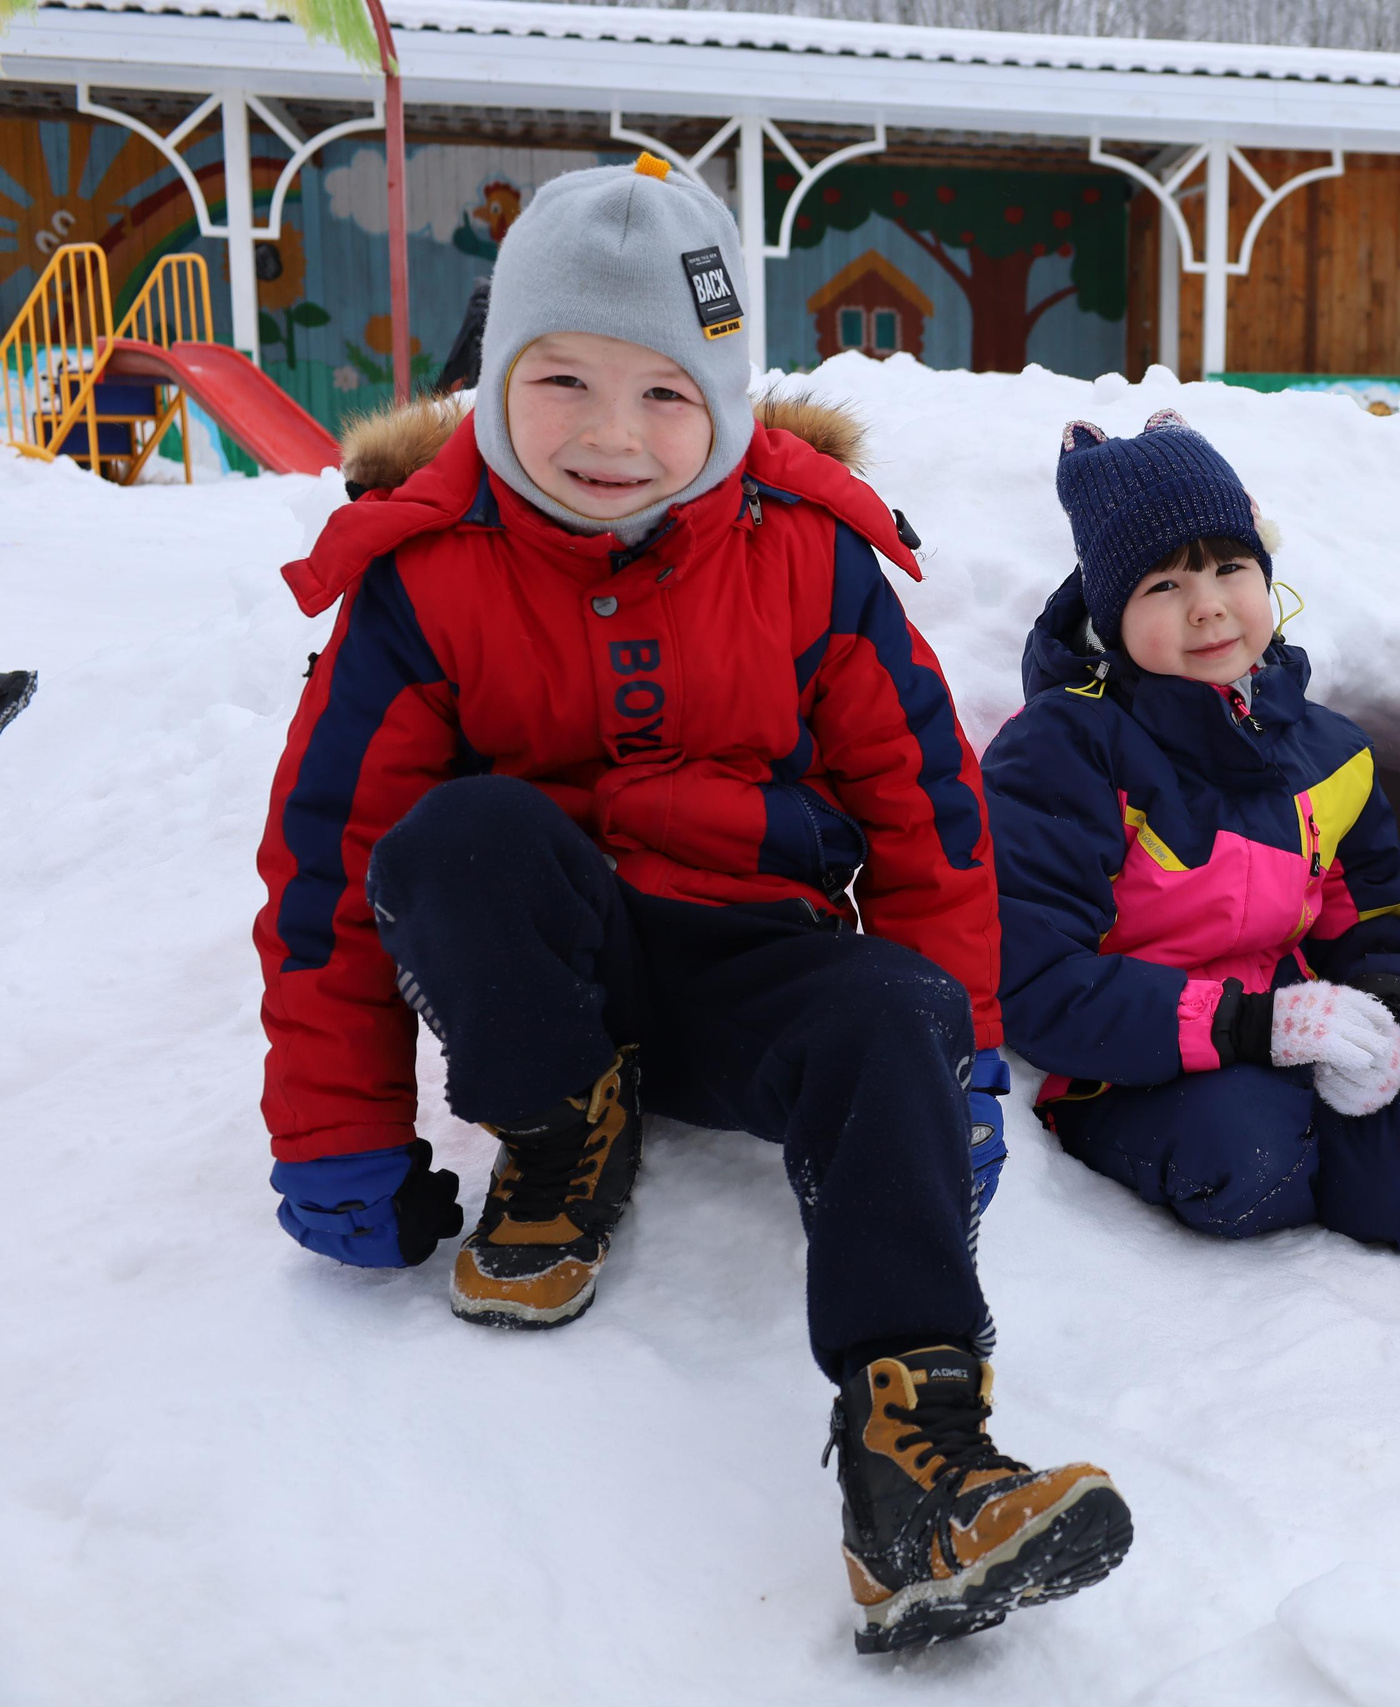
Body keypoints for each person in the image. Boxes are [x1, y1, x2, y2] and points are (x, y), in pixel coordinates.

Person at [253, 156, 1127, 1653]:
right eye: (564, 380)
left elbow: (924, 808)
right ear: (495, 380)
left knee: (895, 1006)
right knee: (459, 837)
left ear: (724, 397)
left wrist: (961, 1056)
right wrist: (337, 1130)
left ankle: (918, 1469)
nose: (611, 434)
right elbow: (329, 861)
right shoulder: (427, 572)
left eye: (665, 392)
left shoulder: (807, 555)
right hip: (545, 969)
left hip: (747, 956)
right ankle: (560, 1130)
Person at [981, 411, 1400, 1248]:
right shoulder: (1065, 748)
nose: (1208, 606)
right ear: (1112, 611)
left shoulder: (1328, 748)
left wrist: (1387, 1013)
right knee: (1251, 1156)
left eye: (1229, 567)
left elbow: (1381, 917)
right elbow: (1035, 976)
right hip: (1131, 1064)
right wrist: (1251, 1027)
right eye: (1163, 586)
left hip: (1295, 1031)